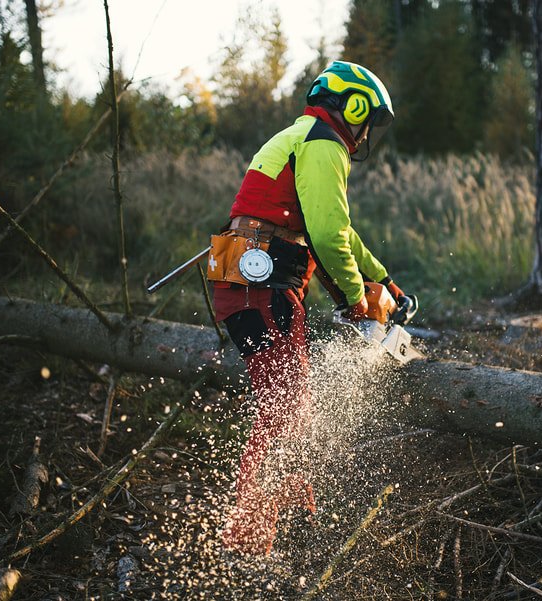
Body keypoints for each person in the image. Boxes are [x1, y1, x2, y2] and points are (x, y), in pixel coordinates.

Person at [206, 60, 410, 555]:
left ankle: (292, 519)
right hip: (261, 286)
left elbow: (337, 233)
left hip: (258, 283)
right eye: (365, 120)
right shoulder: (323, 142)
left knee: (289, 405)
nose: (364, 134)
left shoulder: (304, 136)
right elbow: (325, 233)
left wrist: (381, 279)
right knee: (283, 411)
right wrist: (358, 300)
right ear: (353, 105)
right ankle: (248, 541)